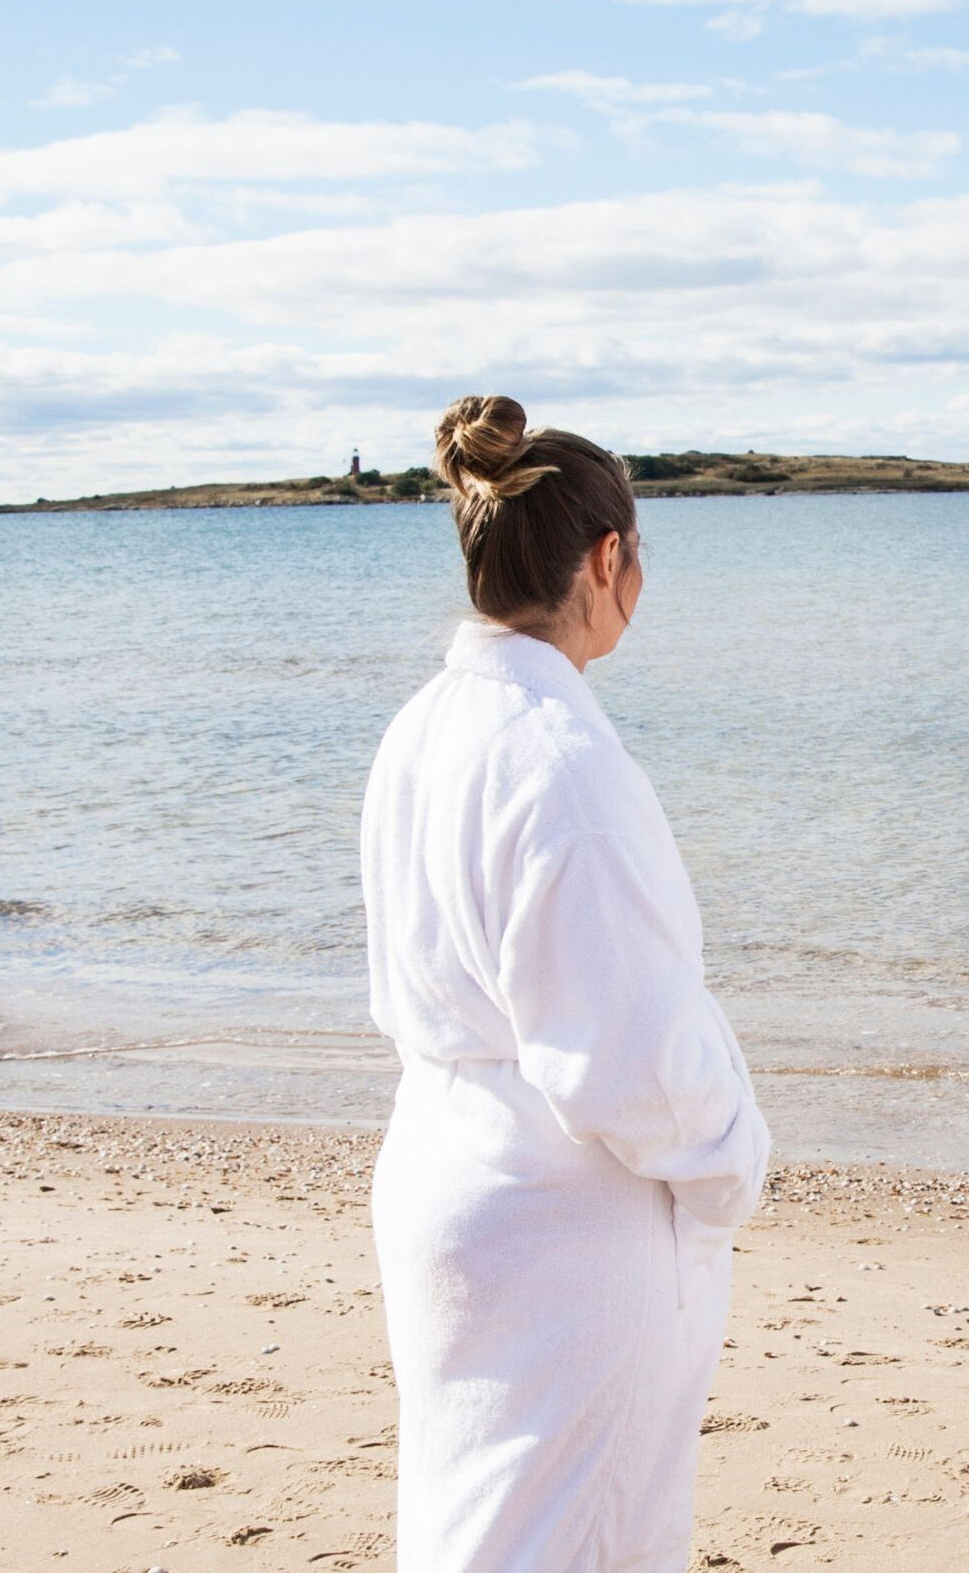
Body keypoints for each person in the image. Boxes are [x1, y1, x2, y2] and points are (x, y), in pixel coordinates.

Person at [361, 395, 770, 1572]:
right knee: (579, 1538)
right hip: (560, 1219)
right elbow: (628, 1055)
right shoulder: (560, 762)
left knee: (473, 1525)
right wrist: (735, 1160)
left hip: (443, 1173)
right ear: (608, 559)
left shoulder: (424, 729)